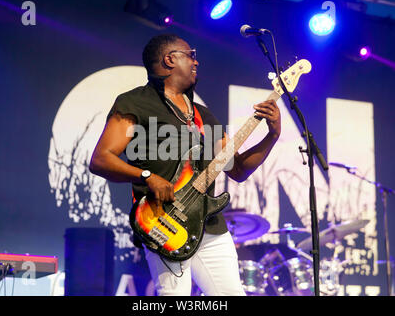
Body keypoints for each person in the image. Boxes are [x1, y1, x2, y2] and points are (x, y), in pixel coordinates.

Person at [89, 34, 281, 296]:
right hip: (163, 222)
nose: (196, 61)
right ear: (169, 59)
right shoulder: (134, 103)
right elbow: (101, 159)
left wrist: (272, 136)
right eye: (190, 54)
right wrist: (147, 176)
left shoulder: (204, 115)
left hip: (210, 225)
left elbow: (236, 170)